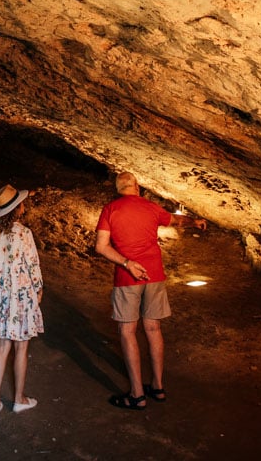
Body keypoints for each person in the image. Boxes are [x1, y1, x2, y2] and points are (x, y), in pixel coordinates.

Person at [95, 170, 207, 410]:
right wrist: (194, 222)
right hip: (154, 274)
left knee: (127, 331)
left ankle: (137, 395)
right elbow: (175, 220)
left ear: (118, 188)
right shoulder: (150, 207)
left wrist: (126, 263)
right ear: (137, 186)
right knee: (153, 328)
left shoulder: (110, 210)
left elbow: (101, 247)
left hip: (127, 278)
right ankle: (157, 387)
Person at [0, 183, 44, 417]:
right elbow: (33, 264)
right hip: (21, 296)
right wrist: (38, 289)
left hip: (1, 297)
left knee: (2, 347)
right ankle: (19, 398)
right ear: (17, 208)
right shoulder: (24, 233)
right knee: (21, 348)